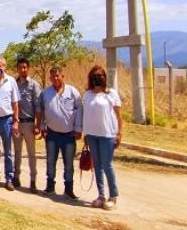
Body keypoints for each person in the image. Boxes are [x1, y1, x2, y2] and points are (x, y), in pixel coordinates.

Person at [36, 66, 83, 200]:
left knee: (68, 164)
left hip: (68, 135)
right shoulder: (46, 93)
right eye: (52, 76)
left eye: (57, 75)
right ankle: (50, 187)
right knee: (51, 162)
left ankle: (69, 189)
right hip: (52, 134)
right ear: (50, 78)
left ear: (62, 76)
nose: (55, 78)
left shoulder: (73, 92)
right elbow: (43, 111)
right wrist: (43, 127)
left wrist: (79, 129)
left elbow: (79, 110)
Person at [83, 65, 122, 210]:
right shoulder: (87, 94)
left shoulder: (111, 94)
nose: (97, 77)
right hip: (92, 135)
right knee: (97, 165)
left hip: (107, 135)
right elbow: (86, 115)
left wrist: (119, 133)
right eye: (95, 75)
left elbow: (118, 116)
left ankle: (113, 195)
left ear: (104, 77)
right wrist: (85, 134)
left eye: (100, 75)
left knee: (107, 165)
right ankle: (101, 195)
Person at [0, 57, 20, 191]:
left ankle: (9, 179)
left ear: (5, 67)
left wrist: (16, 121)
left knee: (7, 152)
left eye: (0, 66)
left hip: (7, 120)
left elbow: (15, 103)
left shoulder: (11, 81)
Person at [14, 58, 42, 192]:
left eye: (25, 67)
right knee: (17, 152)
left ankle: (33, 180)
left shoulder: (34, 85)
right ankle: (16, 177)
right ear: (17, 69)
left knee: (32, 154)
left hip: (30, 123)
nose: (23, 70)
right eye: (20, 67)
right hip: (17, 123)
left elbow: (38, 107)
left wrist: (38, 125)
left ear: (28, 68)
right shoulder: (14, 84)